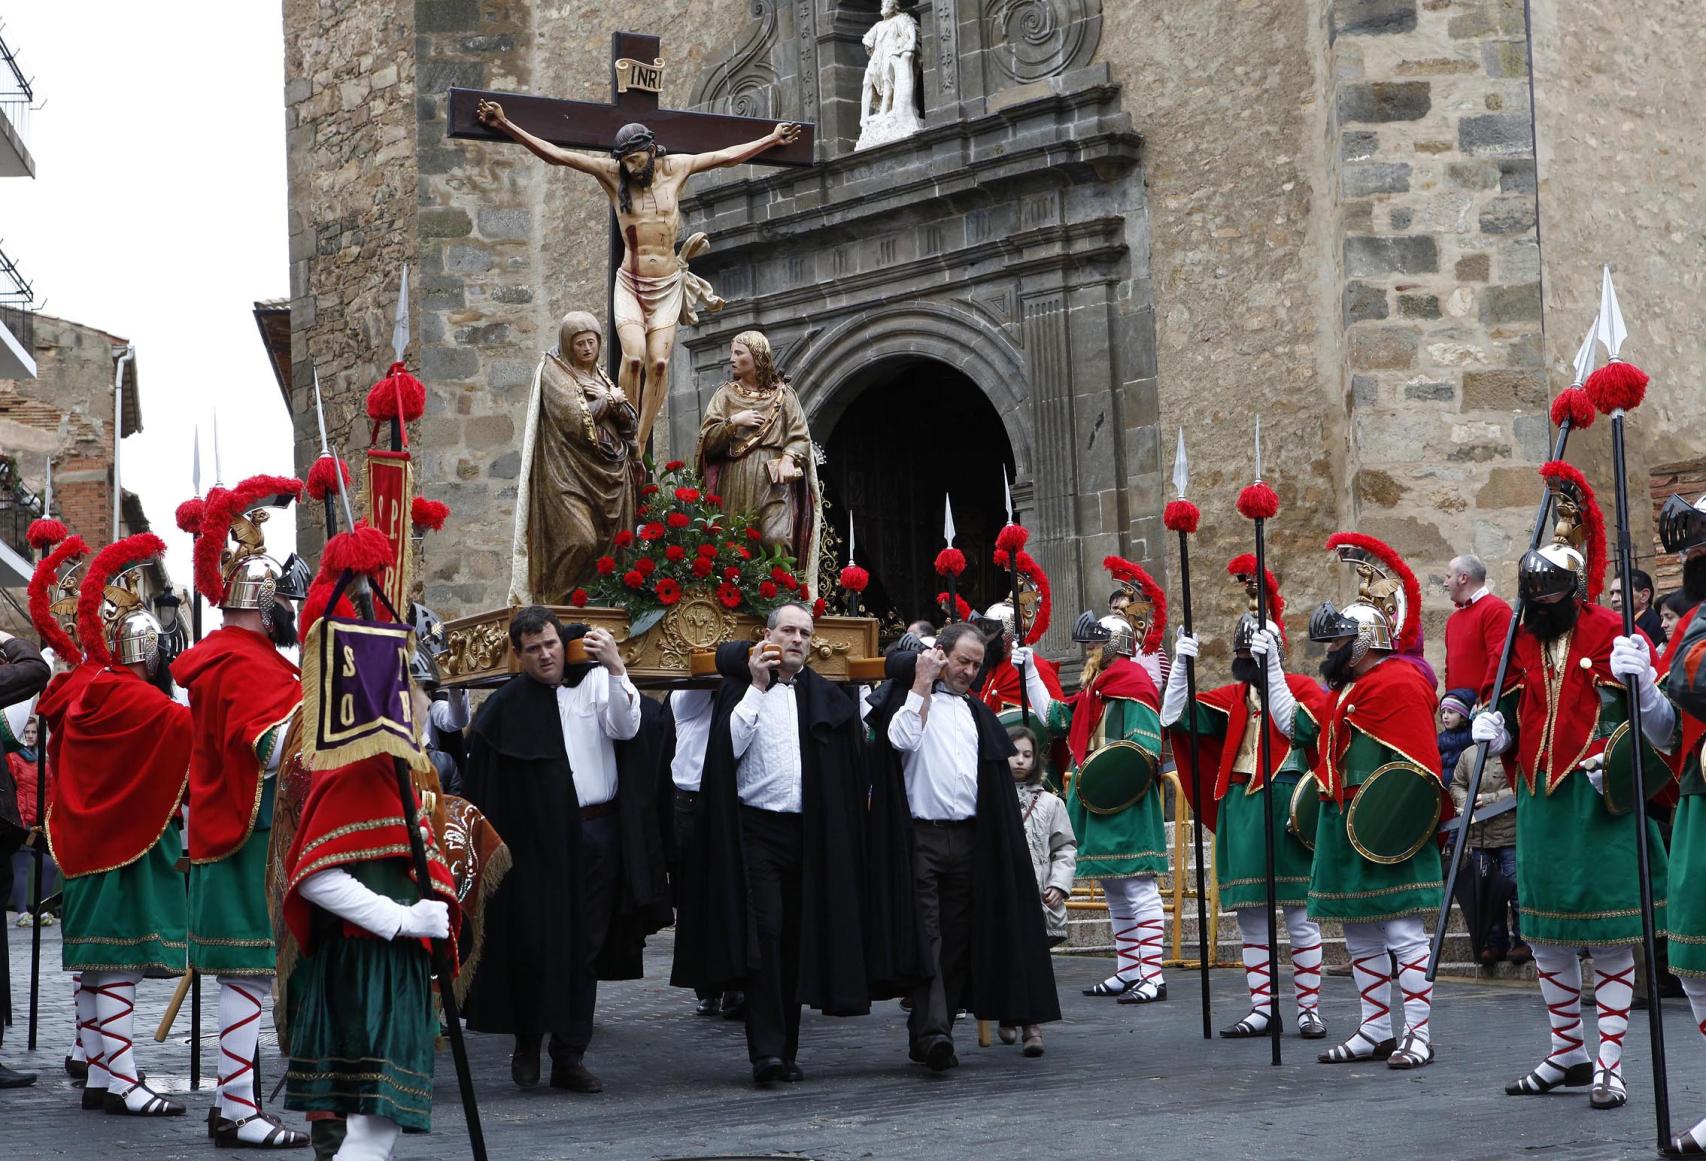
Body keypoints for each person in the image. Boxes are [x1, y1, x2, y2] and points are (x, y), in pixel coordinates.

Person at [1474, 461, 1667, 1109]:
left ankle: (1611, 1061)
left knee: (1607, 937)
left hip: (1596, 796)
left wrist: (1619, 746)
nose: (1539, 602)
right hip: (1541, 799)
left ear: (1575, 588)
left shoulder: (1611, 631)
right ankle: (1567, 1052)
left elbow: (1641, 718)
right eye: (1532, 591)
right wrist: (1496, 732)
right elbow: (1514, 705)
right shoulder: (1521, 637)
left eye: (1551, 592)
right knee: (1544, 933)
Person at [673, 603, 923, 1084]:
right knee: (766, 936)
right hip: (756, 831)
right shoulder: (741, 691)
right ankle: (766, 1052)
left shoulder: (826, 697)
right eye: (788, 630)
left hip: (810, 834)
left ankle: (784, 1050)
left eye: (805, 633)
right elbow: (727, 749)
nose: (797, 639)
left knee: (795, 939)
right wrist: (756, 687)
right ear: (767, 636)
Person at [280, 535, 461, 1161]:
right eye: (422, 693)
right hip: (367, 969)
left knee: (373, 1131)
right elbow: (316, 876)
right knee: (369, 1130)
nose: (428, 707)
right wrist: (404, 919)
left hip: (390, 967)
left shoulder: (397, 766)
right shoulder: (360, 769)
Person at [474, 100, 800, 445]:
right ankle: (623, 427)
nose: (631, 167)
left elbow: (726, 156)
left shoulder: (677, 168)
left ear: (651, 151)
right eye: (626, 161)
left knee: (658, 363)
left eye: (636, 160)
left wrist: (771, 139)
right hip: (631, 283)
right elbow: (558, 156)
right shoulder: (614, 176)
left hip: (667, 285)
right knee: (633, 357)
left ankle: (639, 442)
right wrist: (506, 125)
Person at [464, 607, 670, 1094]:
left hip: (595, 835)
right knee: (536, 944)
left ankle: (570, 1055)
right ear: (519, 656)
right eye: (533, 649)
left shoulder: (597, 683)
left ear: (564, 644)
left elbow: (627, 728)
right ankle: (528, 1042)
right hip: (535, 846)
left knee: (586, 948)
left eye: (550, 645)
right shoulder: (507, 707)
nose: (544, 655)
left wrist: (615, 667)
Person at [173, 475, 314, 1148]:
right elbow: (275, 745)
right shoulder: (243, 662)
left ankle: (234, 1103)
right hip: (245, 835)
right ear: (261, 600)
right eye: (283, 599)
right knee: (248, 974)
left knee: (246, 976)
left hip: (238, 831)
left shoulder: (238, 657)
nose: (290, 610)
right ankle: (237, 1109)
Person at [868, 623, 1059, 1071]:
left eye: (976, 664)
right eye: (962, 661)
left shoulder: (978, 713)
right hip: (921, 837)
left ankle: (930, 1032)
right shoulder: (910, 700)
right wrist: (921, 682)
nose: (969, 671)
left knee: (956, 941)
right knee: (928, 936)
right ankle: (935, 1033)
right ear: (941, 654)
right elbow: (900, 740)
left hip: (970, 839)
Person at [45, 533, 190, 1115]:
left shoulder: (85, 687)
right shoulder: (136, 699)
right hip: (125, 845)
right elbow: (188, 735)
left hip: (85, 841)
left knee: (98, 963)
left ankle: (104, 1076)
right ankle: (124, 1080)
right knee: (118, 963)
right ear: (146, 651)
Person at [1163, 558, 1330, 1039]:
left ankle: (1308, 1009)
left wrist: (1274, 669)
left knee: (1300, 916)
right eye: (1242, 652)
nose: (1246, 659)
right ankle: (1263, 1008)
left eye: (1253, 651)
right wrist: (1180, 670)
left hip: (1288, 807)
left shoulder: (1302, 689)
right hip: (1241, 807)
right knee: (1253, 918)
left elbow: (1301, 729)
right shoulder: (1232, 698)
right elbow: (1175, 719)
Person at [1297, 532, 1445, 1070]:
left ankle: (1418, 1034)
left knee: (1403, 929)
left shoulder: (1399, 682)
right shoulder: (1347, 691)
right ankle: (1376, 1028)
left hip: (1385, 820)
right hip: (1343, 816)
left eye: (1339, 642)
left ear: (1364, 641)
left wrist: (1391, 819)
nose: (1330, 652)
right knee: (1358, 928)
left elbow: (1417, 769)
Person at [1016, 599, 1169, 1006]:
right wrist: (1029, 670)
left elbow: (1144, 750)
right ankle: (1129, 970)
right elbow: (1054, 717)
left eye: (1097, 644)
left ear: (1116, 645)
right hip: (1098, 800)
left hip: (1128, 802)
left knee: (1138, 887)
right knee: (1115, 889)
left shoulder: (1133, 684)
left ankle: (1152, 976)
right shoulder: (1096, 689)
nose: (1090, 651)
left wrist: (1113, 782)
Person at [508, 310, 640, 605]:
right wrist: (609, 399)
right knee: (580, 540)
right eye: (580, 343)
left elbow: (629, 421)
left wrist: (612, 400)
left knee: (616, 550)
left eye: (592, 342)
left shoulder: (599, 376)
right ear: (568, 344)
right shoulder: (554, 372)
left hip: (611, 474)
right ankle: (558, 607)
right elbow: (573, 421)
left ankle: (600, 606)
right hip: (568, 472)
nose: (587, 349)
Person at [1649, 489, 1706, 1154]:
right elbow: (1673, 724)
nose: (1693, 557)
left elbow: (1698, 678)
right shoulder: (1697, 620)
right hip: (1698, 793)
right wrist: (1643, 688)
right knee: (1694, 959)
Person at [696, 331, 821, 569]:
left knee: (776, 538)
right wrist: (734, 422)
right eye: (731, 353)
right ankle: (736, 591)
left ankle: (783, 590)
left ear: (757, 356)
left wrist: (788, 458)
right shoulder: (725, 395)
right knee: (735, 541)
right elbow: (707, 442)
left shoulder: (784, 395)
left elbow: (799, 436)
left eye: (738, 353)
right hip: (736, 476)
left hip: (773, 481)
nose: (731, 359)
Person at [1000, 724, 1075, 1056]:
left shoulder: (1050, 803)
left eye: (1027, 754)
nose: (1019, 760)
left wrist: (1059, 883)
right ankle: (1006, 1013)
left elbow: (1065, 848)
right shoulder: (988, 798)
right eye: (1013, 753)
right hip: (1002, 894)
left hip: (1037, 894)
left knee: (1033, 961)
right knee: (1005, 957)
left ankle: (1032, 1027)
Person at [1446, 707, 1523, 966]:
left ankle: (1523, 941)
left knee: (1516, 890)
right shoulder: (1468, 754)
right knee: (1485, 890)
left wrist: (1487, 799)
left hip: (1510, 833)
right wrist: (1465, 800)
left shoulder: (1511, 753)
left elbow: (1521, 785)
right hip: (1480, 835)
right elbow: (1457, 784)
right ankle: (1494, 943)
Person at [1443, 554, 1513, 704]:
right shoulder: (1453, 620)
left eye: (1448, 577)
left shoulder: (1496, 610)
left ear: (1463, 578)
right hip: (1458, 711)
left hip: (1483, 710)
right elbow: (1450, 670)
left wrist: (1485, 705)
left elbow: (1500, 665)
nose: (1445, 583)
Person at [1610, 567, 1667, 648]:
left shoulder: (1657, 626)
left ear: (1644, 596)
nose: (1614, 599)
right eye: (1612, 593)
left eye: (1621, 592)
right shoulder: (1619, 626)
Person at [1658, 590, 1692, 655]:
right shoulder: (1661, 650)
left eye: (1669, 617)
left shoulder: (1699, 650)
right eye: (1662, 619)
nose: (1663, 625)